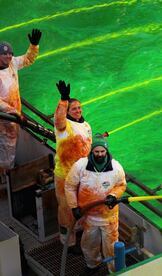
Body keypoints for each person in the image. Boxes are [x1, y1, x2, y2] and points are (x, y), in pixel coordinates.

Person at [65, 134, 127, 273]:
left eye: (102, 151)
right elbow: (70, 186)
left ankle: (114, 271)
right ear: (92, 151)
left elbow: (121, 185)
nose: (99, 154)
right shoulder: (81, 166)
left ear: (107, 151)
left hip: (109, 217)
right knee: (88, 244)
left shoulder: (116, 168)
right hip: (89, 216)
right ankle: (92, 265)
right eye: (97, 151)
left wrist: (113, 195)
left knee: (111, 247)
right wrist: (74, 206)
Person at [54, 80, 92, 253]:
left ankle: (77, 234)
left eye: (79, 108)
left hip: (82, 175)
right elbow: (58, 119)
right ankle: (67, 243)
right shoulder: (64, 126)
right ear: (68, 111)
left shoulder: (86, 125)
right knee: (66, 210)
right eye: (74, 108)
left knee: (79, 208)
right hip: (65, 176)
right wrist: (63, 99)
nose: (78, 111)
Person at [0, 29, 42, 170]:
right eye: (4, 54)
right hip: (5, 118)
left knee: (9, 148)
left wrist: (34, 46)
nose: (9, 56)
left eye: (10, 53)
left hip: (15, 115)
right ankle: (5, 181)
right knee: (7, 149)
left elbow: (27, 59)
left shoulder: (12, 64)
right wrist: (14, 112)